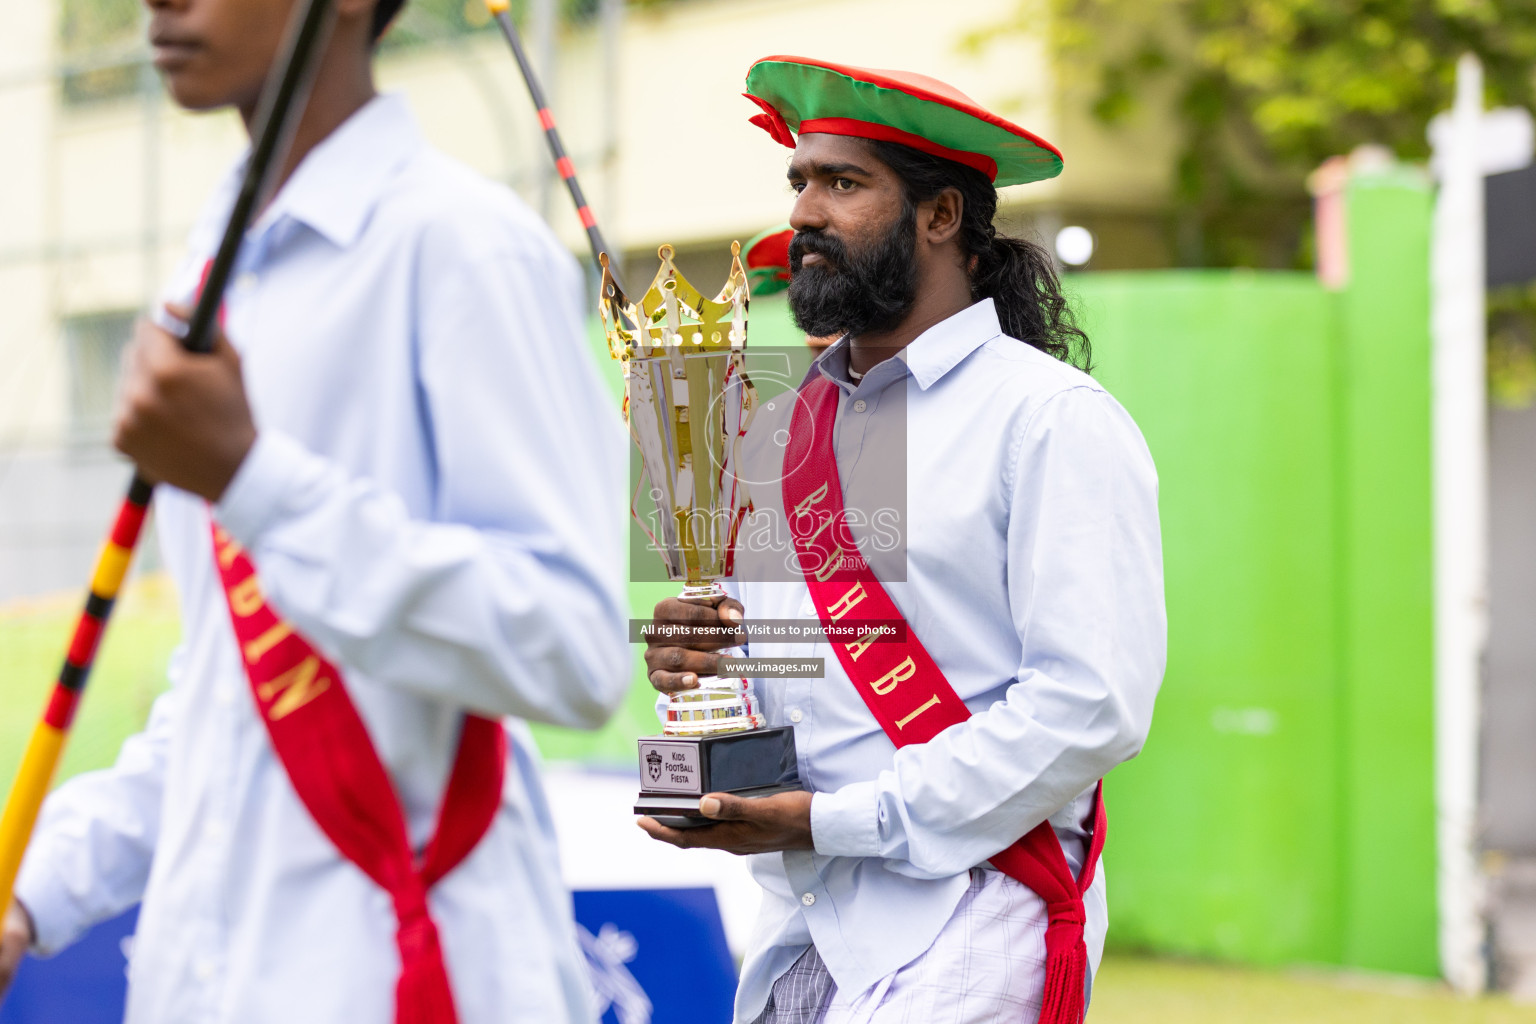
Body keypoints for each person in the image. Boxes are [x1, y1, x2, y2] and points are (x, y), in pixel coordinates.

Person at [0, 0, 628, 1018]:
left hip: (406, 976)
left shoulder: (466, 247)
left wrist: (253, 478)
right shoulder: (207, 278)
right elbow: (227, 702)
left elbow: (576, 643)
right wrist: (35, 887)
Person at [640, 56, 1165, 1024]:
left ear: (940, 216)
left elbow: (1093, 704)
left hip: (972, 910)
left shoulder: (1048, 418)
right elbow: (819, 660)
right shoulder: (777, 429)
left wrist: (843, 818)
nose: (802, 211)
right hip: (805, 914)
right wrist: (704, 656)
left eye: (842, 182)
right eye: (798, 181)